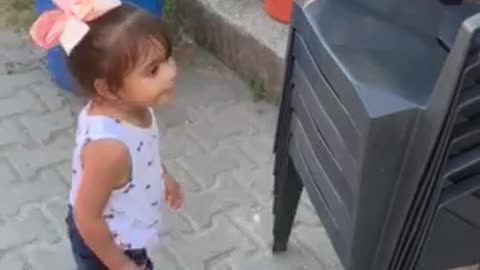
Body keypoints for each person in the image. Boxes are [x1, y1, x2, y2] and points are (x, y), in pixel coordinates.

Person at [29, 0, 183, 269]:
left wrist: (163, 175)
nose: (172, 72)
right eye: (154, 70)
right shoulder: (110, 148)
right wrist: (119, 264)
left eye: (168, 57)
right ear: (108, 89)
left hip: (127, 233)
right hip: (108, 246)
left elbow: (146, 150)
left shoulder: (134, 107)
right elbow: (86, 217)